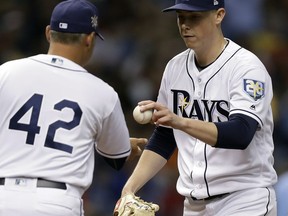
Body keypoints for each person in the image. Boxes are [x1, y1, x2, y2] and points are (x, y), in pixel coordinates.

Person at [117, 0, 278, 215]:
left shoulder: (247, 68)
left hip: (244, 199)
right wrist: (129, 189)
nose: (185, 25)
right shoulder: (175, 67)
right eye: (181, 17)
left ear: (219, 15)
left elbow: (241, 133)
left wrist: (179, 121)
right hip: (194, 205)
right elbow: (165, 136)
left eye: (194, 17)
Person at [0, 0, 145, 216]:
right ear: (89, 39)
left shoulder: (6, 72)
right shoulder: (102, 92)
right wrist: (126, 147)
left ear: (49, 33)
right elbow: (117, 158)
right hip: (55, 203)